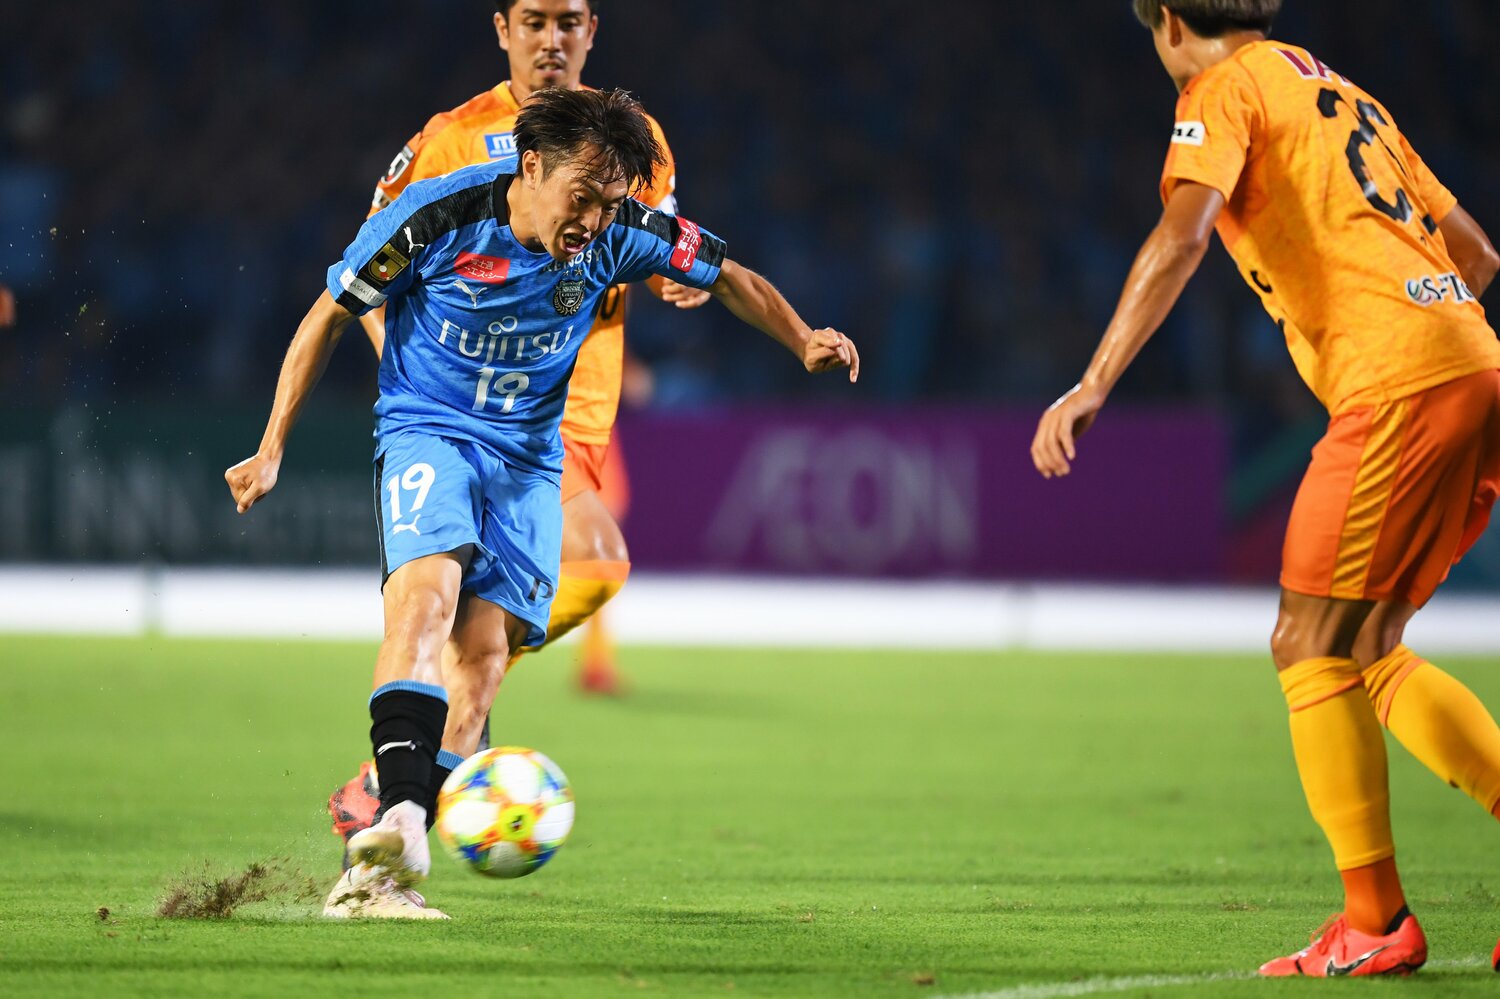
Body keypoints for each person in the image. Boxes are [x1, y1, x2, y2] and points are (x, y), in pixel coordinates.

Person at [226, 87, 858, 919]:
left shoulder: (622, 231)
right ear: (532, 166)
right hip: (430, 431)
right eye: (582, 198)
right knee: (425, 603)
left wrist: (803, 334)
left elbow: (730, 275)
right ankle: (403, 824)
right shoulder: (437, 215)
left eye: (609, 205)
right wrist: (273, 444)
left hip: (528, 459)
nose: (593, 221)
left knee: (484, 659)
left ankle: (378, 866)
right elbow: (330, 316)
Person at [1032, 0, 1500, 978]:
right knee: (1366, 647)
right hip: (1471, 364)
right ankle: (1374, 920)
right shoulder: (1337, 88)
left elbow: (1183, 235)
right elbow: (1478, 256)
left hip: (1399, 385)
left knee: (1307, 645)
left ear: (1165, 19)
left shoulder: (1223, 87)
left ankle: (1375, 923)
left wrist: (1093, 382)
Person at [326, 0, 702, 855]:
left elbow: (649, 243)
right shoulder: (452, 140)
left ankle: (414, 755)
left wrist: (674, 277)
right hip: (492, 411)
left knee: (563, 581)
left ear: (593, 31)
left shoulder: (637, 139)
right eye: (534, 21)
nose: (552, 40)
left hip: (582, 399)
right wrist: (420, 380)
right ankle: (412, 754)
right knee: (595, 557)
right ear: (503, 30)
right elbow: (367, 276)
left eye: (569, 22)